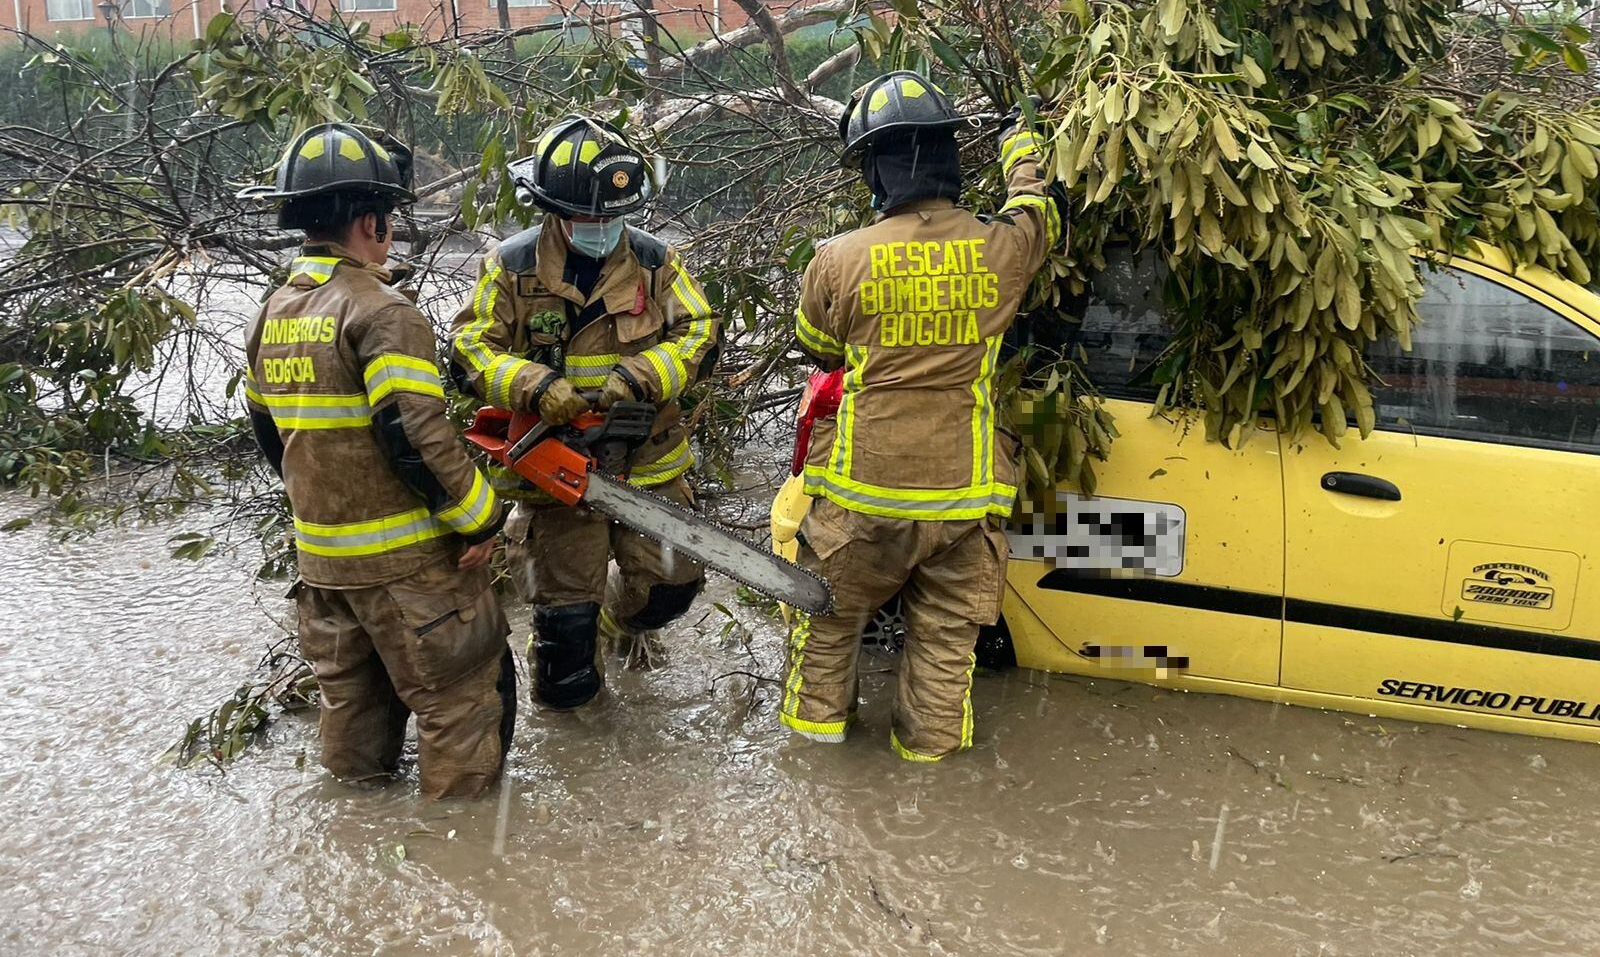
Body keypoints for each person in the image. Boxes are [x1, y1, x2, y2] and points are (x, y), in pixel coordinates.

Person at [783, 72, 1062, 762]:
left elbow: (819, 350)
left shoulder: (837, 259)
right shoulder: (1006, 248)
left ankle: (818, 774)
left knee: (827, 635)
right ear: (948, 157)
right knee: (943, 652)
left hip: (860, 503)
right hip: (961, 503)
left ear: (875, 169)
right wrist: (1018, 142)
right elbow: (1040, 206)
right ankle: (926, 776)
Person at [240, 122, 514, 799]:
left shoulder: (269, 313)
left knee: (354, 716)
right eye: (387, 218)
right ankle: (460, 851)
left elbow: (268, 434)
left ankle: (359, 853)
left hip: (324, 566)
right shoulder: (382, 312)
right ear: (371, 222)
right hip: (409, 570)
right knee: (462, 706)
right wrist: (479, 519)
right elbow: (414, 435)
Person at [449, 115, 720, 711]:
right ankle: (579, 728)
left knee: (670, 589)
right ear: (552, 209)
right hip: (557, 474)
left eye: (612, 217)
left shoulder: (656, 263)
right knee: (564, 648)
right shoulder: (510, 267)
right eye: (588, 218)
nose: (601, 228)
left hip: (646, 463)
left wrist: (643, 374)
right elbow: (469, 348)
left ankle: (618, 626)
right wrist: (533, 383)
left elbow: (699, 330)